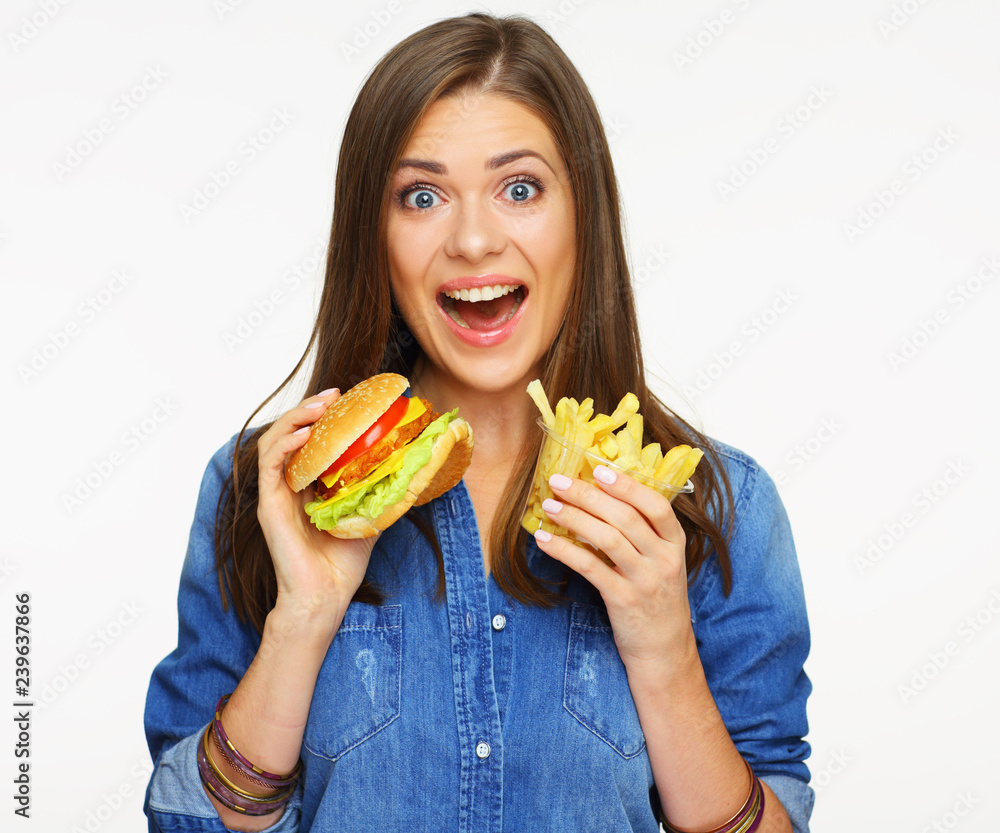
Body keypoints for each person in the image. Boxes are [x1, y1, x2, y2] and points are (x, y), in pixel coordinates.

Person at [144, 13, 813, 833]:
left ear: (583, 213)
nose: (471, 238)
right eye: (421, 196)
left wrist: (664, 651)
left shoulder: (718, 503)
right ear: (375, 234)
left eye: (520, 188)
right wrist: (305, 615)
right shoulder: (269, 487)